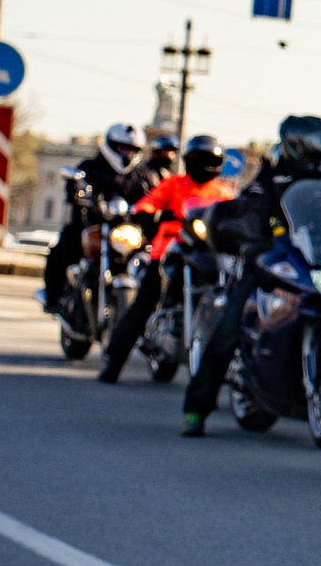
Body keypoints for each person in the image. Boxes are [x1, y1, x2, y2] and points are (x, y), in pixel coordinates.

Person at [180, 116, 321, 435]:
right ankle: (196, 410)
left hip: (314, 266)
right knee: (230, 325)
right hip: (270, 262)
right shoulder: (271, 178)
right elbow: (251, 212)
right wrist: (254, 236)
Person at [96, 135, 232, 383]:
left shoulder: (222, 192)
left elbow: (234, 215)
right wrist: (147, 213)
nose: (203, 165)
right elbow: (149, 202)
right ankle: (114, 362)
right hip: (170, 252)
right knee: (144, 303)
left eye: (209, 160)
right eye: (197, 159)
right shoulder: (174, 184)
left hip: (209, 254)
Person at [42, 122, 148, 315]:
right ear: (110, 145)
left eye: (132, 149)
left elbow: (155, 195)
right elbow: (75, 184)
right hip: (90, 226)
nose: (127, 153)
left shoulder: (142, 175)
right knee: (62, 249)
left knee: (151, 258)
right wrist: (79, 192)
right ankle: (53, 298)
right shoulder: (91, 167)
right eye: (122, 148)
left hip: (125, 232)